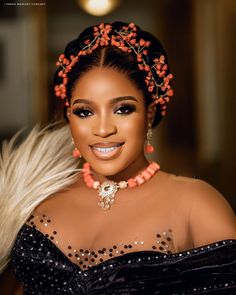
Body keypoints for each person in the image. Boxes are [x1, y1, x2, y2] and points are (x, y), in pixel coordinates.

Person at [0, 21, 235, 294]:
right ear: (68, 117)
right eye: (84, 112)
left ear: (149, 113)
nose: (102, 129)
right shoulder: (33, 201)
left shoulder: (195, 205)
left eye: (123, 109)